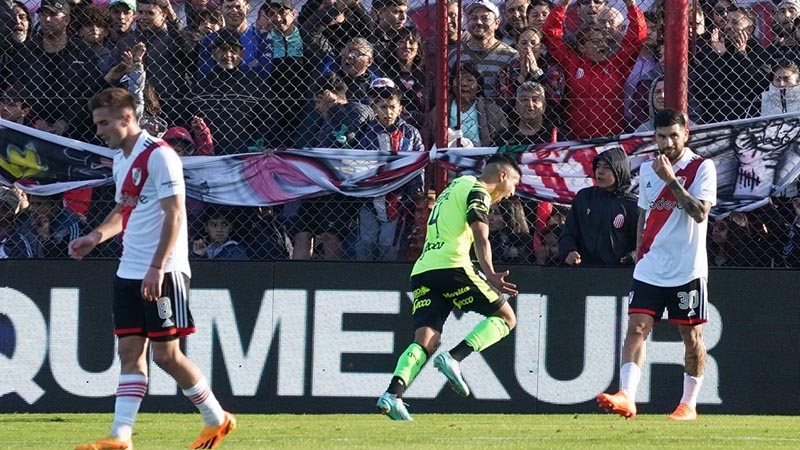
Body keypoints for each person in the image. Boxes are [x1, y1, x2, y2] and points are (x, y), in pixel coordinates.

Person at [70, 88, 235, 450]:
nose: (99, 131)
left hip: (164, 270)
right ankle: (121, 437)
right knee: (129, 353)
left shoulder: (161, 156)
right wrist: (95, 237)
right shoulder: (120, 160)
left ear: (127, 118)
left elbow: (175, 213)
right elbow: (124, 212)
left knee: (166, 355)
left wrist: (157, 267)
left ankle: (217, 418)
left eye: (104, 123)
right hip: (129, 269)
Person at [376, 153, 521, 421]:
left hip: (423, 269)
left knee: (426, 341)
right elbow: (481, 233)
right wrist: (489, 272)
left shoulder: (455, 186)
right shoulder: (477, 191)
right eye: (514, 183)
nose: (512, 193)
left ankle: (392, 395)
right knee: (506, 317)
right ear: (502, 176)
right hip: (452, 265)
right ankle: (455, 357)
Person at [597, 108, 717, 421]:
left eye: (673, 136)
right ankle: (627, 396)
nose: (667, 142)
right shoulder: (649, 170)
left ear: (685, 134)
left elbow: (700, 213)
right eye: (661, 136)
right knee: (636, 329)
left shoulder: (702, 168)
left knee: (691, 339)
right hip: (650, 266)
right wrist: (640, 249)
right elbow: (644, 213)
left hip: (687, 268)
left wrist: (672, 180)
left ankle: (688, 404)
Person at [543, 0, 645, 140]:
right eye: (596, 42)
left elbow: (637, 36)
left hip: (611, 140)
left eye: (605, 42)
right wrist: (562, 5)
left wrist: (631, 5)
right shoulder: (571, 62)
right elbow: (551, 34)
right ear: (582, 47)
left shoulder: (617, 64)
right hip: (574, 141)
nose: (602, 45)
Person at [355, 79, 424, 261]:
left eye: (392, 107)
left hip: (398, 199)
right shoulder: (365, 132)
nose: (388, 112)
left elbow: (418, 164)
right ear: (374, 108)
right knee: (366, 242)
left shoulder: (410, 133)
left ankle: (387, 281)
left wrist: (417, 191)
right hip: (369, 199)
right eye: (383, 107)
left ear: (400, 108)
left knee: (389, 244)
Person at [558, 147, 638, 266]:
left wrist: (631, 257)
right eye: (598, 166)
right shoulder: (584, 197)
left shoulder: (632, 205)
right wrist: (568, 251)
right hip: (583, 272)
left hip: (618, 274)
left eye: (606, 167)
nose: (600, 171)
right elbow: (568, 232)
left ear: (619, 170)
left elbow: (642, 243)